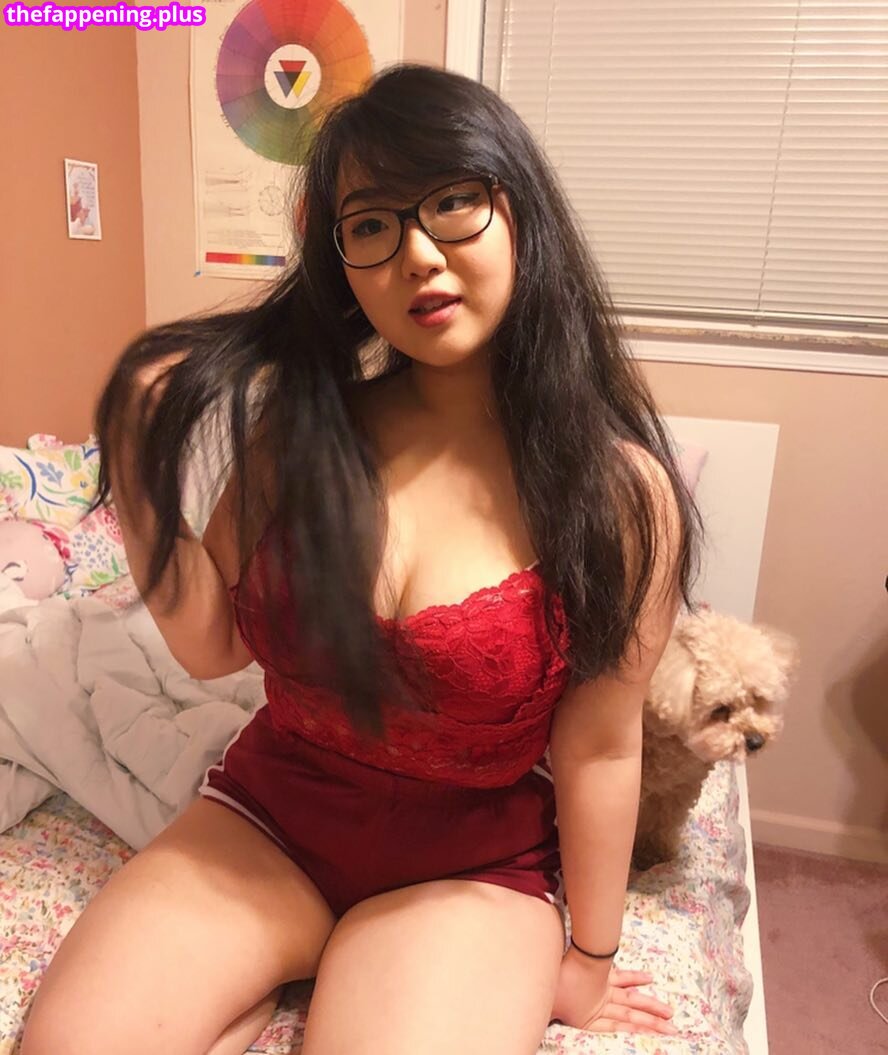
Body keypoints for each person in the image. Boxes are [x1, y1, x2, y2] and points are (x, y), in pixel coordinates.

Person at [21, 64, 704, 1054]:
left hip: (471, 869)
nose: (417, 254)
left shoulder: (620, 494)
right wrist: (135, 453)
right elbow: (211, 649)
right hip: (270, 822)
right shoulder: (298, 434)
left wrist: (588, 958)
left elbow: (600, 745)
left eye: (452, 203)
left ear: (520, 211)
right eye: (372, 224)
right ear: (341, 260)